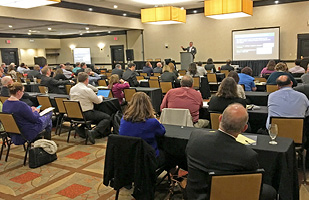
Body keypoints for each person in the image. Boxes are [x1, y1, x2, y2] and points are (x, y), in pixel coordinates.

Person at [186, 103, 277, 200]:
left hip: (194, 195)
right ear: (244, 128)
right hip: (228, 195)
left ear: (220, 118)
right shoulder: (248, 155)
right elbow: (251, 183)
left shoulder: (195, 137)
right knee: (269, 191)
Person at [119, 92, 166, 166]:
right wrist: (155, 119)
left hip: (129, 158)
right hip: (148, 160)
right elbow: (162, 132)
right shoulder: (152, 122)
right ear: (148, 105)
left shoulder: (124, 119)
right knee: (169, 153)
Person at [70, 72, 111, 144]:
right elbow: (97, 101)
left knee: (97, 115)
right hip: (86, 113)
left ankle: (81, 128)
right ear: (87, 80)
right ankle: (94, 132)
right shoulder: (87, 90)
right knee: (107, 117)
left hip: (75, 113)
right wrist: (101, 97)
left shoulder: (72, 89)